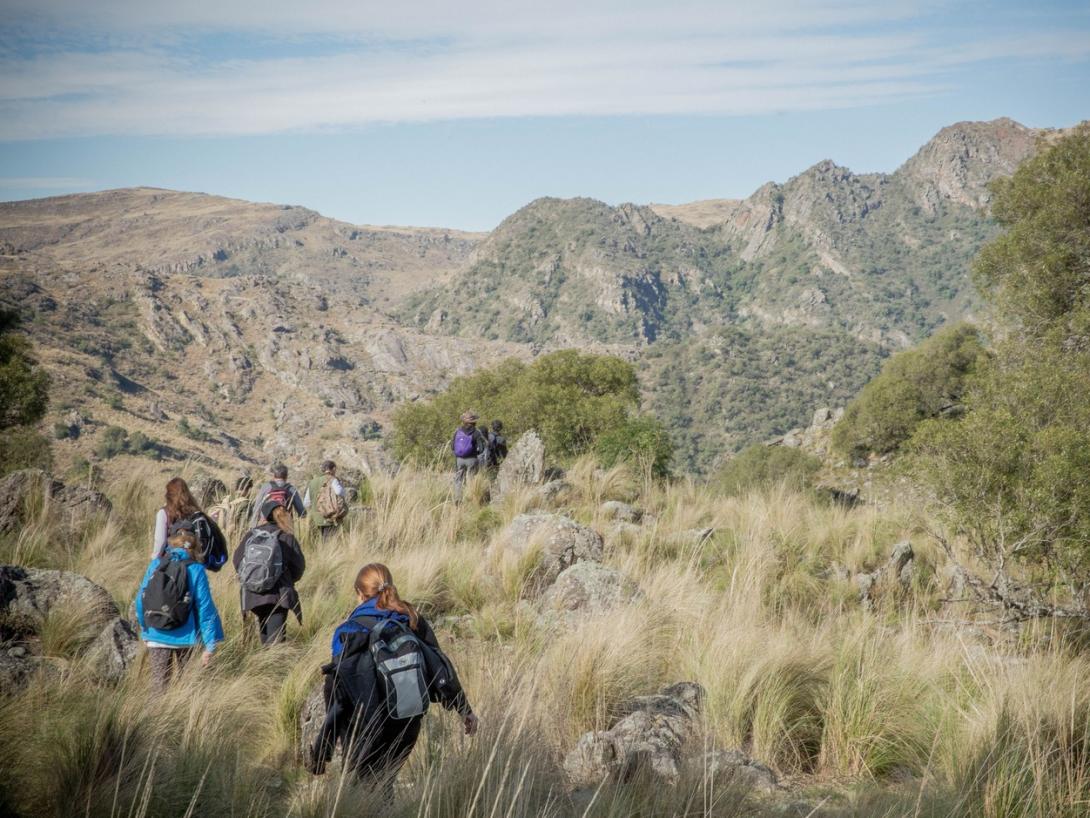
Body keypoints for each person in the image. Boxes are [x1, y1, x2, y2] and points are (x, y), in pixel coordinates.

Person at [309, 563, 478, 796]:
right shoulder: (411, 619)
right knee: (384, 783)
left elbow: (338, 686)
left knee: (363, 790)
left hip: (365, 725)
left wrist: (325, 744)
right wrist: (464, 709)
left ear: (360, 593)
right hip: (406, 720)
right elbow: (440, 667)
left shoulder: (348, 629)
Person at [135, 522, 224, 691]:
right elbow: (205, 610)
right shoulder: (196, 569)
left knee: (158, 689)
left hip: (156, 633)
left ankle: (157, 717)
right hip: (186, 637)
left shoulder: (156, 565)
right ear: (194, 542)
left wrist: (145, 628)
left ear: (171, 541)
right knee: (188, 689)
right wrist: (210, 644)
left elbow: (141, 600)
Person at [233, 500, 306, 646]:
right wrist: (287, 579)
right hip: (278, 595)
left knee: (264, 631)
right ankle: (272, 666)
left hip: (253, 595)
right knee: (276, 642)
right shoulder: (287, 536)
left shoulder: (251, 535)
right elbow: (299, 567)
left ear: (264, 516)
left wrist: (253, 578)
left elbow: (237, 561)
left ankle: (264, 663)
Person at [151, 477, 228, 570]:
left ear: (168, 495)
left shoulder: (164, 513)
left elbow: (160, 542)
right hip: (194, 566)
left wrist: (154, 564)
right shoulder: (196, 513)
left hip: (171, 566)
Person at [304, 460, 348, 540]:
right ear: (333, 469)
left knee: (323, 539)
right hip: (331, 516)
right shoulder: (333, 480)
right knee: (331, 542)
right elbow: (340, 492)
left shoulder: (312, 482)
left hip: (317, 518)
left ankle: (324, 552)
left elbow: (306, 503)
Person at [451, 411, 487, 503]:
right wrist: (476, 452)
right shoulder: (476, 432)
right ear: (474, 422)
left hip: (459, 460)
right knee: (471, 478)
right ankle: (471, 499)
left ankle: (458, 499)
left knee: (459, 479)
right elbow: (482, 448)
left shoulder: (458, 431)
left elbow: (452, 446)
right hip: (472, 459)